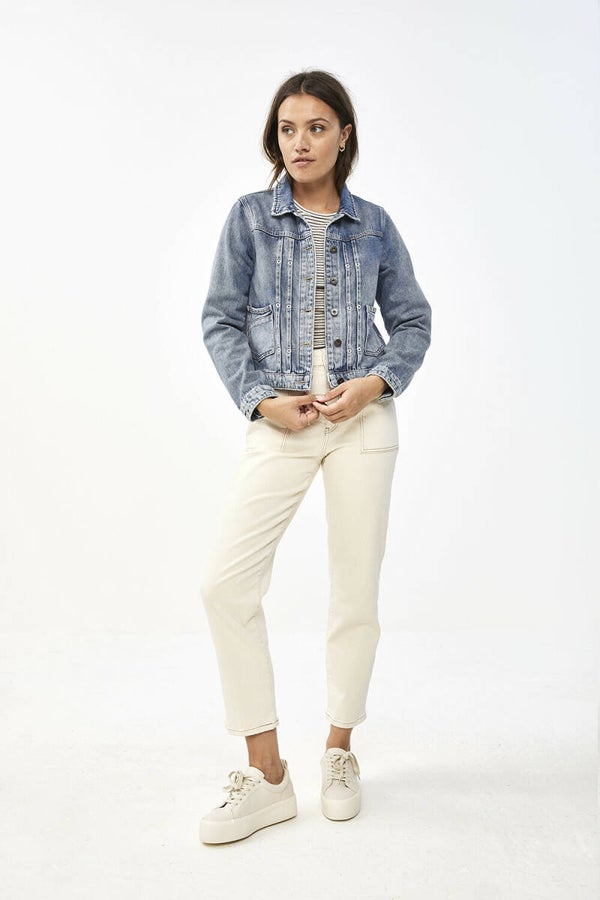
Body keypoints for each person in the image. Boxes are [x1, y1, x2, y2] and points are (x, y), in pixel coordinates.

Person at [199, 69, 432, 844]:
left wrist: (376, 383)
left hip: (363, 423)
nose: (301, 142)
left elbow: (412, 321)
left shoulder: (375, 226)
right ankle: (267, 776)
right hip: (282, 422)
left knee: (354, 594)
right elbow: (220, 320)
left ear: (344, 136)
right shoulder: (249, 219)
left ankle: (339, 750)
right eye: (288, 128)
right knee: (224, 584)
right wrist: (261, 399)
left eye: (317, 127)